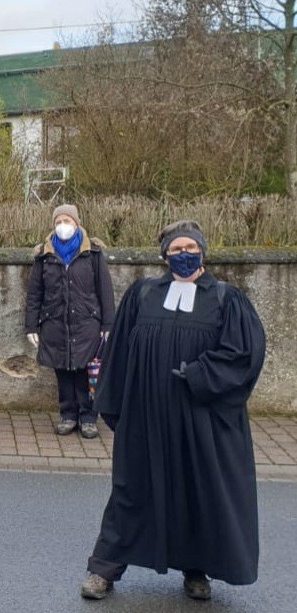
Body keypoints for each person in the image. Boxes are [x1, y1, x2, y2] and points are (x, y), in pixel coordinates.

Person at [79, 220, 266, 601]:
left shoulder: (226, 299)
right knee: (130, 492)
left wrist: (200, 374)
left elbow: (244, 355)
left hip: (200, 420)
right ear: (164, 254)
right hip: (147, 415)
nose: (184, 255)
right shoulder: (143, 294)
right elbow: (118, 355)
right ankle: (104, 569)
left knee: (197, 493)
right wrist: (114, 405)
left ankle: (196, 572)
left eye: (190, 248)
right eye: (176, 249)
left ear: (203, 251)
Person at [24, 204, 114, 439]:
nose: (63, 225)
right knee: (63, 371)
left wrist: (107, 324)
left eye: (67, 221)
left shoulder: (92, 253)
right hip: (55, 323)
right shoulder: (43, 256)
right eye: (59, 221)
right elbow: (35, 294)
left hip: (87, 323)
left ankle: (88, 418)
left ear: (76, 223)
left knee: (86, 371)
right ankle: (68, 415)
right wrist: (31, 325)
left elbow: (105, 291)